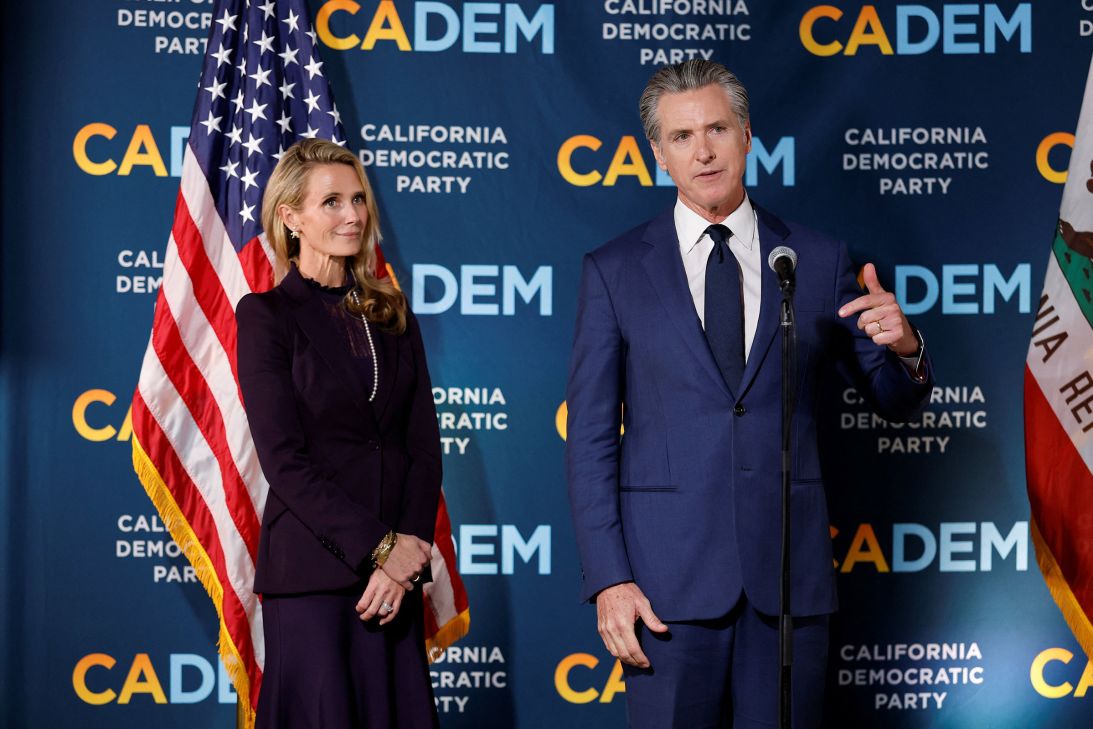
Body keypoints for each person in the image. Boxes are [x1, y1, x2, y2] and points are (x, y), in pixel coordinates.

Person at [565, 60, 933, 728]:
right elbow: (589, 441)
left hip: (787, 588)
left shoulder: (817, 260)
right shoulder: (613, 271)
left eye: (716, 128)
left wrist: (904, 346)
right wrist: (609, 580)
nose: (702, 150)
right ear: (658, 155)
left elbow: (892, 398)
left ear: (746, 135)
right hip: (662, 591)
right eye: (681, 136)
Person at [235, 138, 441, 728]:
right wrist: (380, 547)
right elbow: (284, 461)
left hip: (393, 583)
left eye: (357, 199)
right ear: (290, 217)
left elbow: (423, 449)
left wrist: (405, 553)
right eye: (331, 202)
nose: (352, 215)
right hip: (314, 580)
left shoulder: (394, 313)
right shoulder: (267, 316)